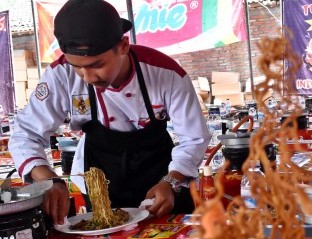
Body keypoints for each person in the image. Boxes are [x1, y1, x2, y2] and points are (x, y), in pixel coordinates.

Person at [8, 0, 211, 225]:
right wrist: (50, 181)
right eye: (77, 66)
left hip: (162, 179)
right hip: (100, 180)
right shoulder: (60, 75)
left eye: (97, 64)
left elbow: (194, 138)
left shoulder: (166, 74)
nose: (88, 77)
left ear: (123, 46)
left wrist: (172, 182)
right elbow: (24, 135)